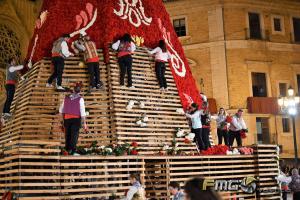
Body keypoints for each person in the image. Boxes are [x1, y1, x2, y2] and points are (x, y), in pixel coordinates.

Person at [59, 82, 87, 155]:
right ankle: (72, 151)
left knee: (67, 135)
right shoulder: (80, 99)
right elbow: (83, 112)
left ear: (73, 90)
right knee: (74, 135)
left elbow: (61, 110)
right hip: (76, 119)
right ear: (79, 90)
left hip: (67, 119)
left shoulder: (66, 98)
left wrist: (62, 121)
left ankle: (67, 150)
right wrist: (85, 124)